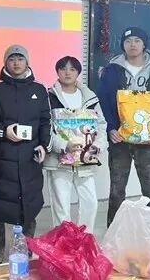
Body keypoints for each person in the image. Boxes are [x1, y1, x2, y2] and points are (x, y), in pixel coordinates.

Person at [97, 26, 150, 227]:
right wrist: (110, 128)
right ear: (122, 45)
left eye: (137, 40)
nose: (132, 45)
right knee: (116, 191)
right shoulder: (111, 71)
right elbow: (104, 102)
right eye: (127, 41)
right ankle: (114, 231)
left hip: (149, 141)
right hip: (119, 140)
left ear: (144, 44)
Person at [0, 44, 51, 265]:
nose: (16, 63)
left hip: (30, 160)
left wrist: (44, 146)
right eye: (11, 59)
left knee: (28, 207)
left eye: (20, 58)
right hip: (2, 158)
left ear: (27, 62)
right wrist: (4, 131)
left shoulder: (40, 89)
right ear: (5, 63)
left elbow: (46, 121)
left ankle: (23, 253)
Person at [44, 56, 107, 233]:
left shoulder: (89, 97)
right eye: (63, 69)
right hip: (58, 161)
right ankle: (63, 242)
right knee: (61, 206)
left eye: (72, 69)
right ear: (57, 72)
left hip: (85, 159)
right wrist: (63, 145)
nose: (67, 73)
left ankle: (85, 239)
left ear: (78, 72)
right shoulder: (48, 97)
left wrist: (98, 145)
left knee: (90, 202)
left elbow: (101, 124)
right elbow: (44, 127)